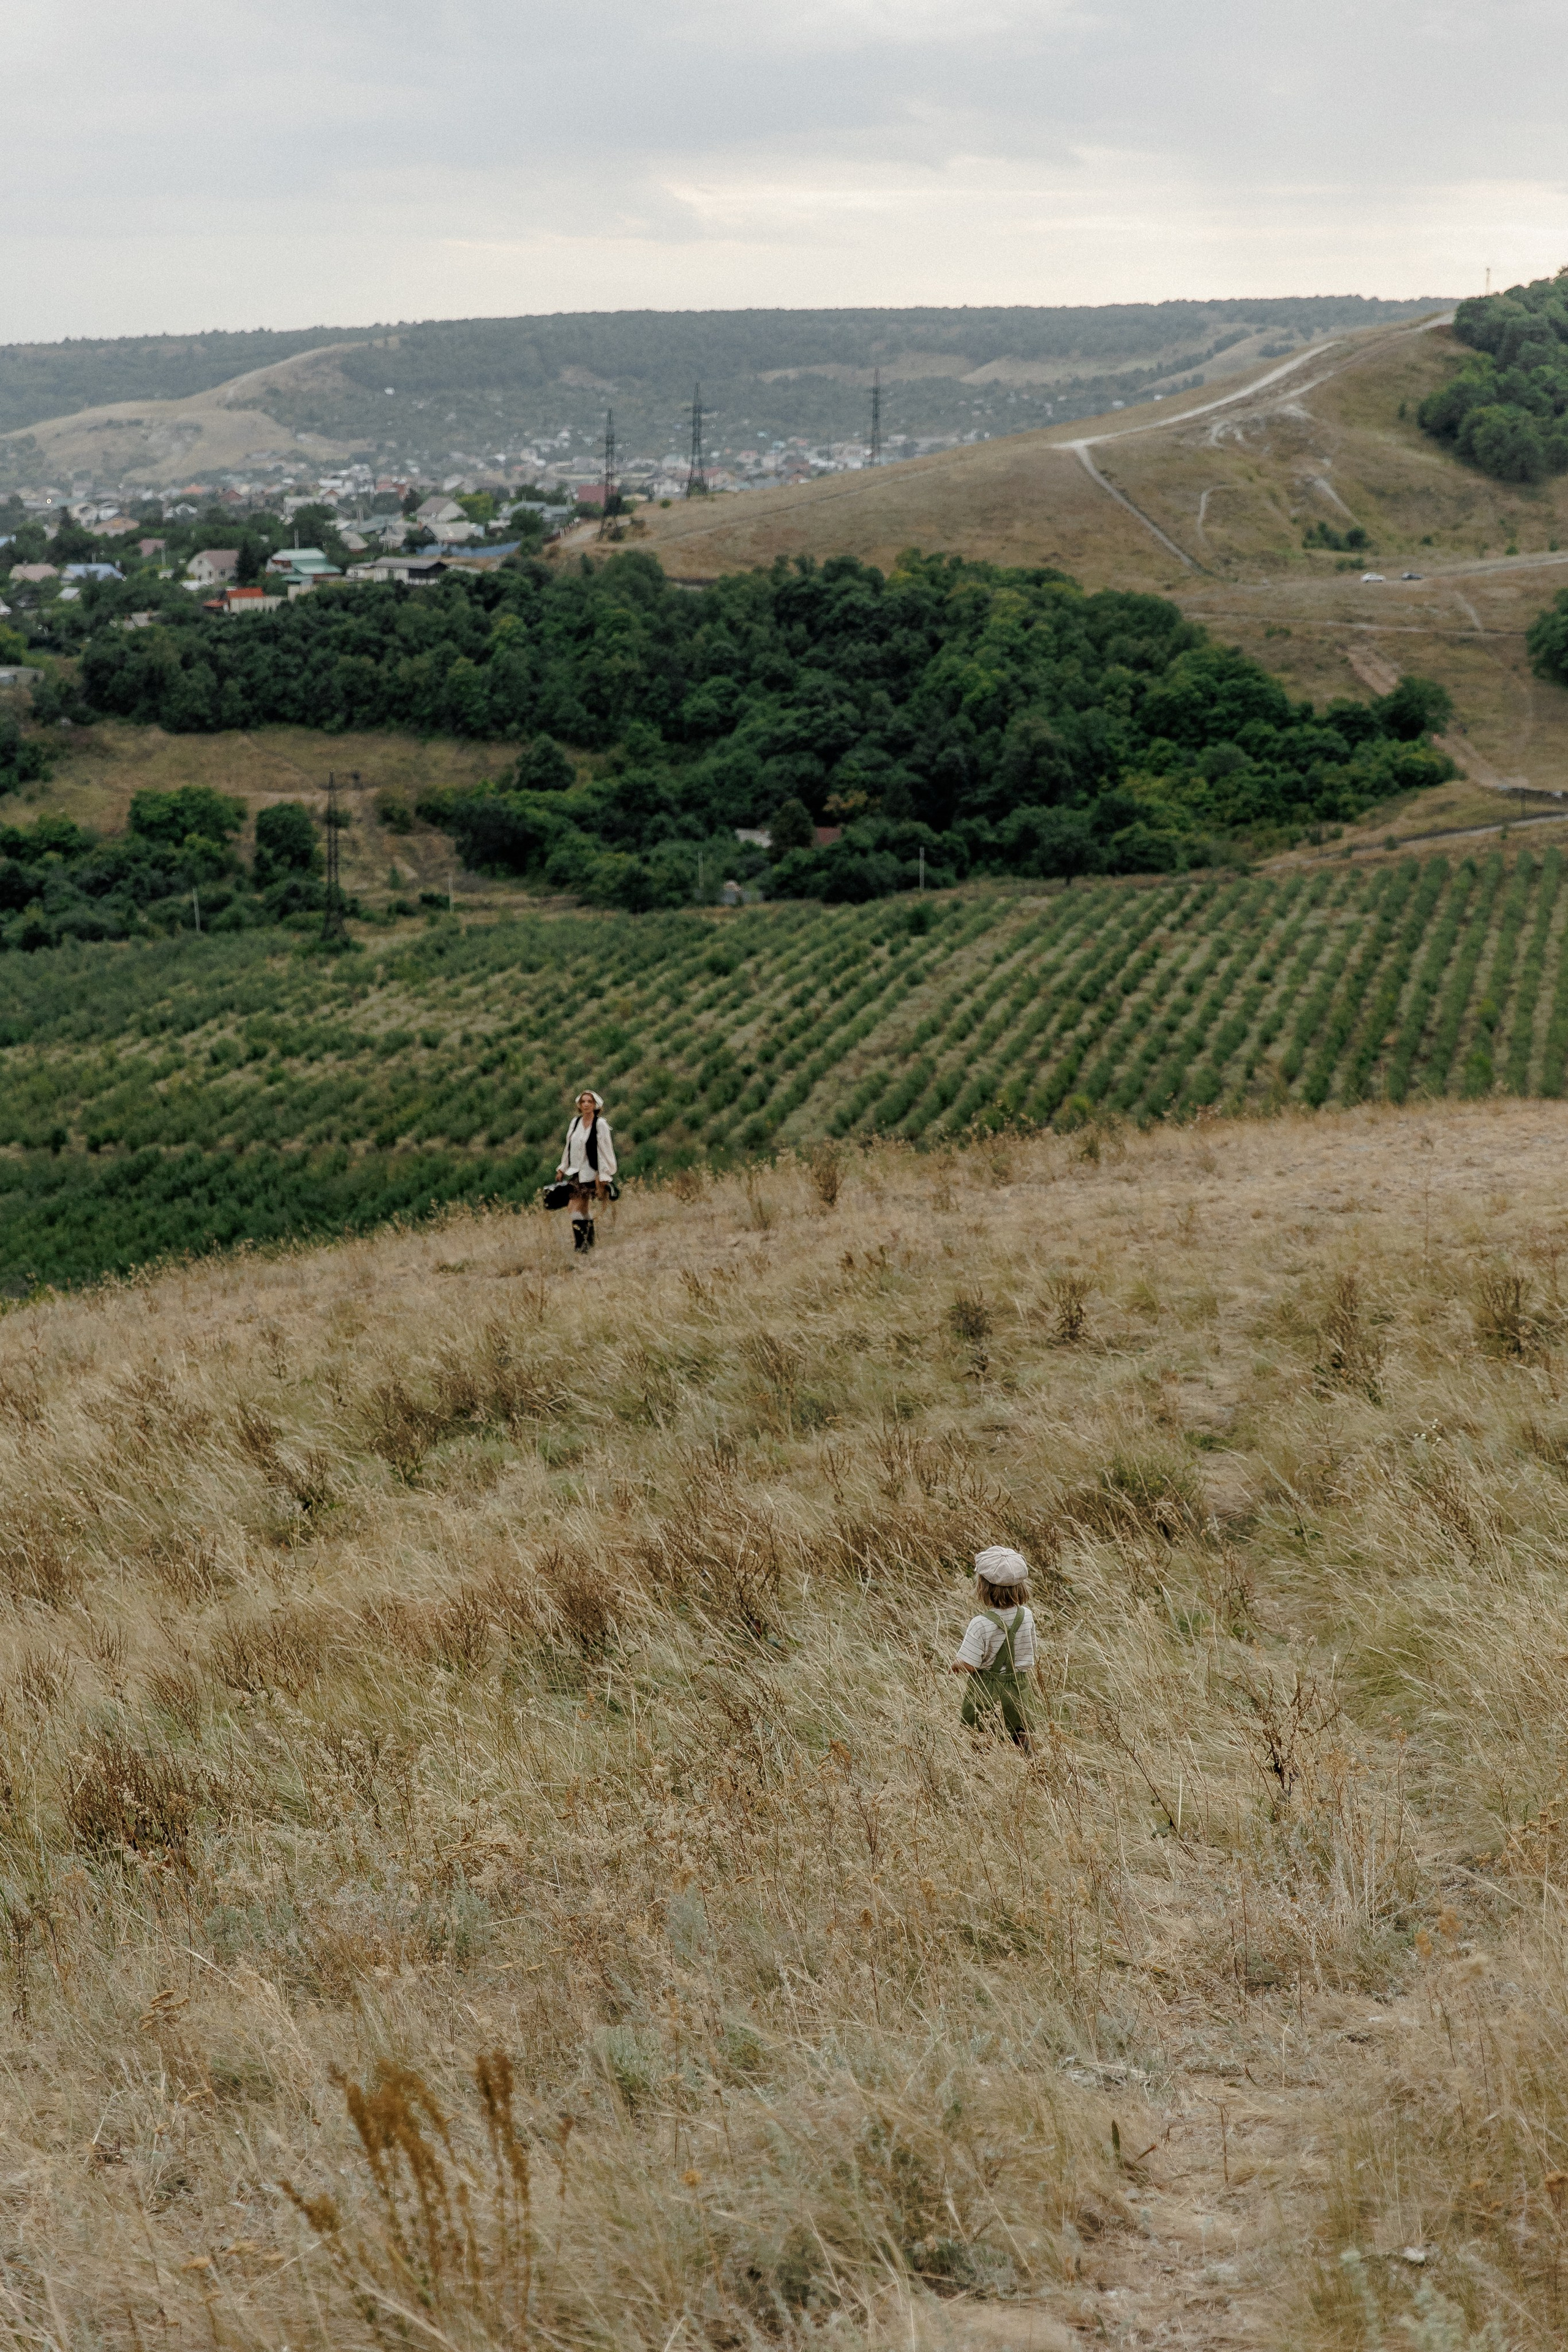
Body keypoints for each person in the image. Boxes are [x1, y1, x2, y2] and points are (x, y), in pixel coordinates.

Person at [951, 1545, 1036, 1749]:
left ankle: (986, 1774)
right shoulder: (1027, 1616)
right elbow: (1030, 1651)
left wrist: (956, 1666)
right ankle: (1033, 1769)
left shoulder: (981, 1623)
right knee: (1020, 1732)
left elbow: (970, 1665)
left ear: (983, 1587)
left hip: (987, 1690)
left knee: (981, 1735)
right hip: (1018, 1686)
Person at [557, 1088, 617, 1253]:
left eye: (589, 1101)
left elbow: (606, 1149)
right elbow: (568, 1147)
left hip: (592, 1172)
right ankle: (587, 1242)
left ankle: (582, 1245)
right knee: (579, 1208)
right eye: (583, 1102)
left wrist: (605, 1174)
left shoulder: (600, 1124)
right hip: (577, 1172)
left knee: (575, 1207)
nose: (586, 1104)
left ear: (595, 1105)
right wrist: (562, 1168)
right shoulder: (575, 1123)